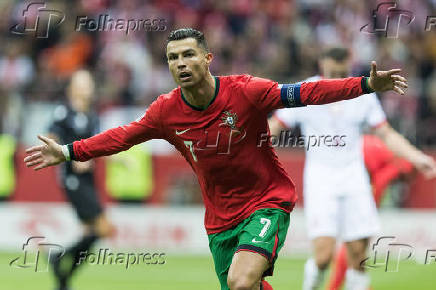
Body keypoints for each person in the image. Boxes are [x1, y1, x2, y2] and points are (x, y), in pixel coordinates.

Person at [24, 28, 408, 290]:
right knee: (246, 286)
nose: (181, 63)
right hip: (220, 220)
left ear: (207, 58)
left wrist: (364, 85)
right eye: (173, 58)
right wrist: (70, 150)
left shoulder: (247, 91)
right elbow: (122, 136)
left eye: (189, 54)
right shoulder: (165, 111)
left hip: (266, 202)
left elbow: (307, 92)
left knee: (243, 281)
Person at [269, 47, 436, 290]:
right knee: (324, 256)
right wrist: (249, 145)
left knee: (358, 257)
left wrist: (416, 157)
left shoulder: (363, 93)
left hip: (354, 178)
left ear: (349, 66)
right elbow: (276, 124)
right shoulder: (304, 91)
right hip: (321, 179)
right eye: (332, 73)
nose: (337, 79)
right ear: (321, 65)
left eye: (341, 73)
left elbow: (385, 132)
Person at [47, 70, 114, 290]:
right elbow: (52, 140)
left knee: (89, 234)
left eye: (89, 83)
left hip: (88, 179)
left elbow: (95, 145)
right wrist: (69, 158)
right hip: (72, 179)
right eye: (82, 84)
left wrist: (117, 158)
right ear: (72, 88)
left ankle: (63, 280)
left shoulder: (92, 116)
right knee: (103, 228)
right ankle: (58, 257)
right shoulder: (63, 112)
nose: (87, 88)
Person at [328, 134, 415, 290]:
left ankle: (344, 286)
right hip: (357, 194)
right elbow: (383, 181)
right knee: (354, 248)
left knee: (352, 248)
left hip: (355, 189)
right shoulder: (390, 165)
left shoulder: (379, 156)